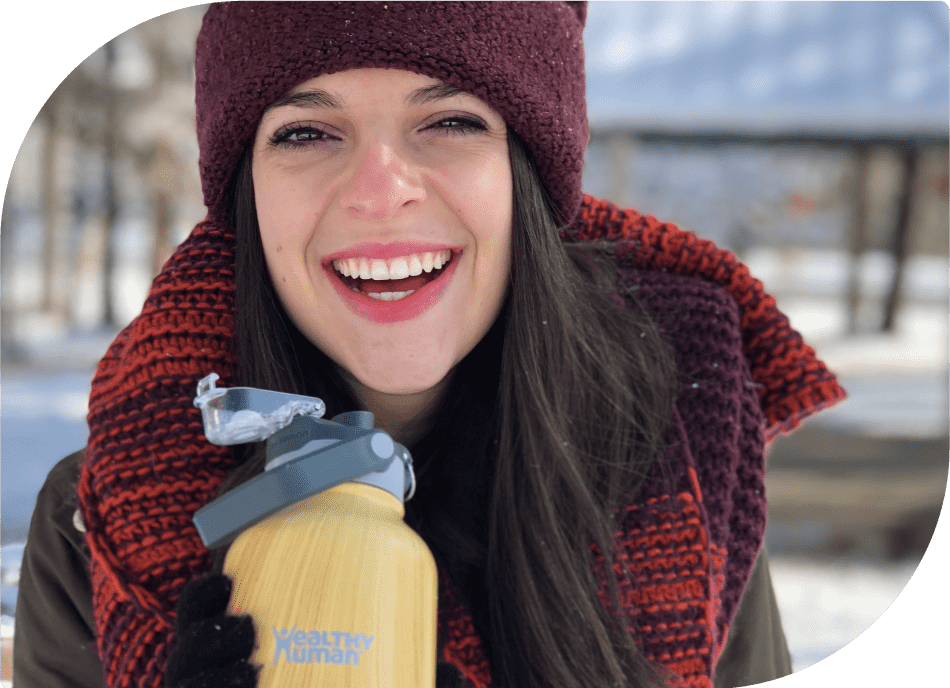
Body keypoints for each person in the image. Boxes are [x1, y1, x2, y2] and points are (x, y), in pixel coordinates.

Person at [13, 2, 847, 688]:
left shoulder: (682, 461)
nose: (380, 192)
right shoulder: (97, 517)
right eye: (306, 132)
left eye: (450, 120)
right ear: (246, 194)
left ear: (526, 179)